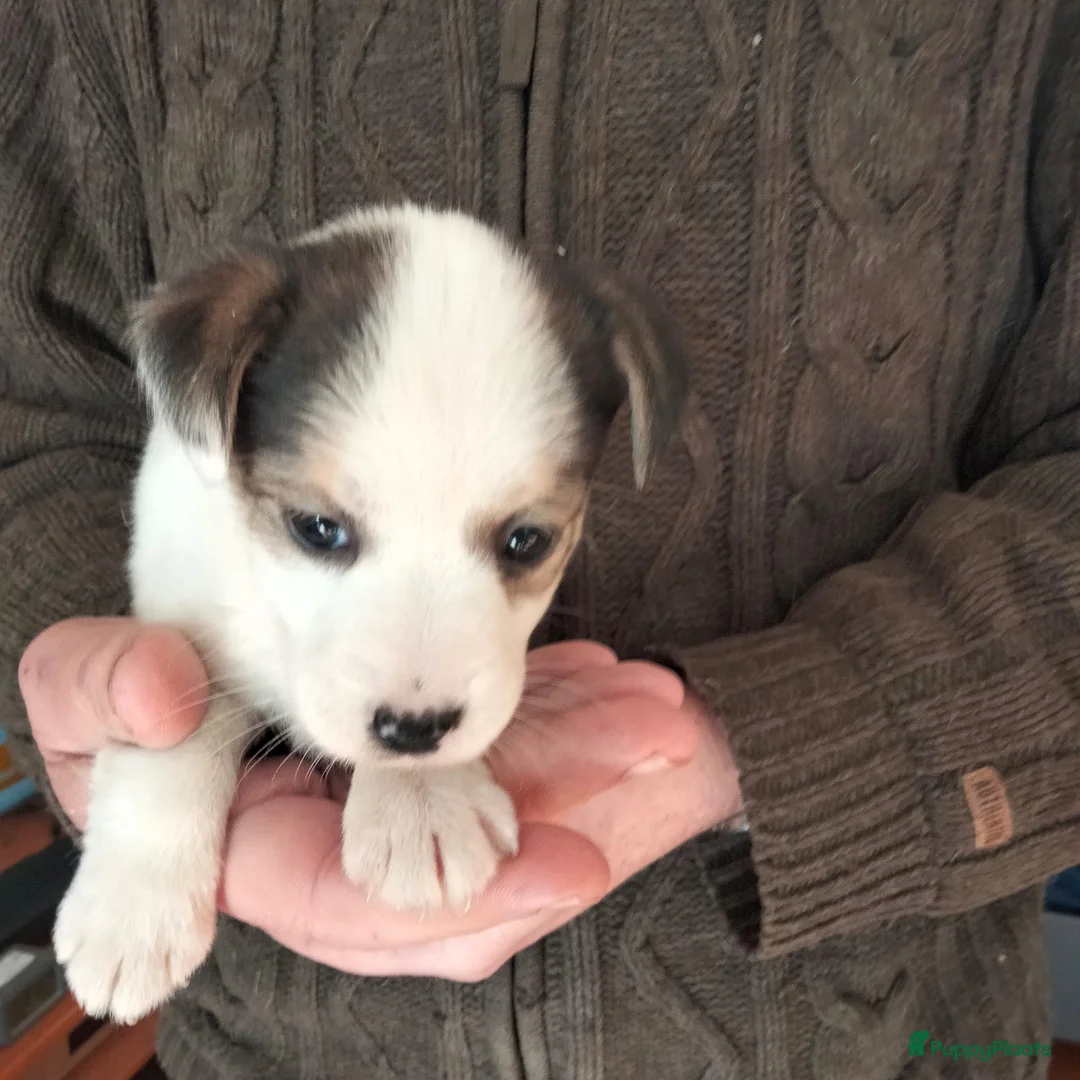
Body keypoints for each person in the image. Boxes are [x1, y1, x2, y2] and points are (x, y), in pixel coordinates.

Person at [2, 1, 1079, 1077]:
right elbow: (35, 417)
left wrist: (795, 739)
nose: (419, 684)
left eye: (519, 544)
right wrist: (122, 748)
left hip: (898, 1035)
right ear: (208, 411)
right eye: (324, 528)